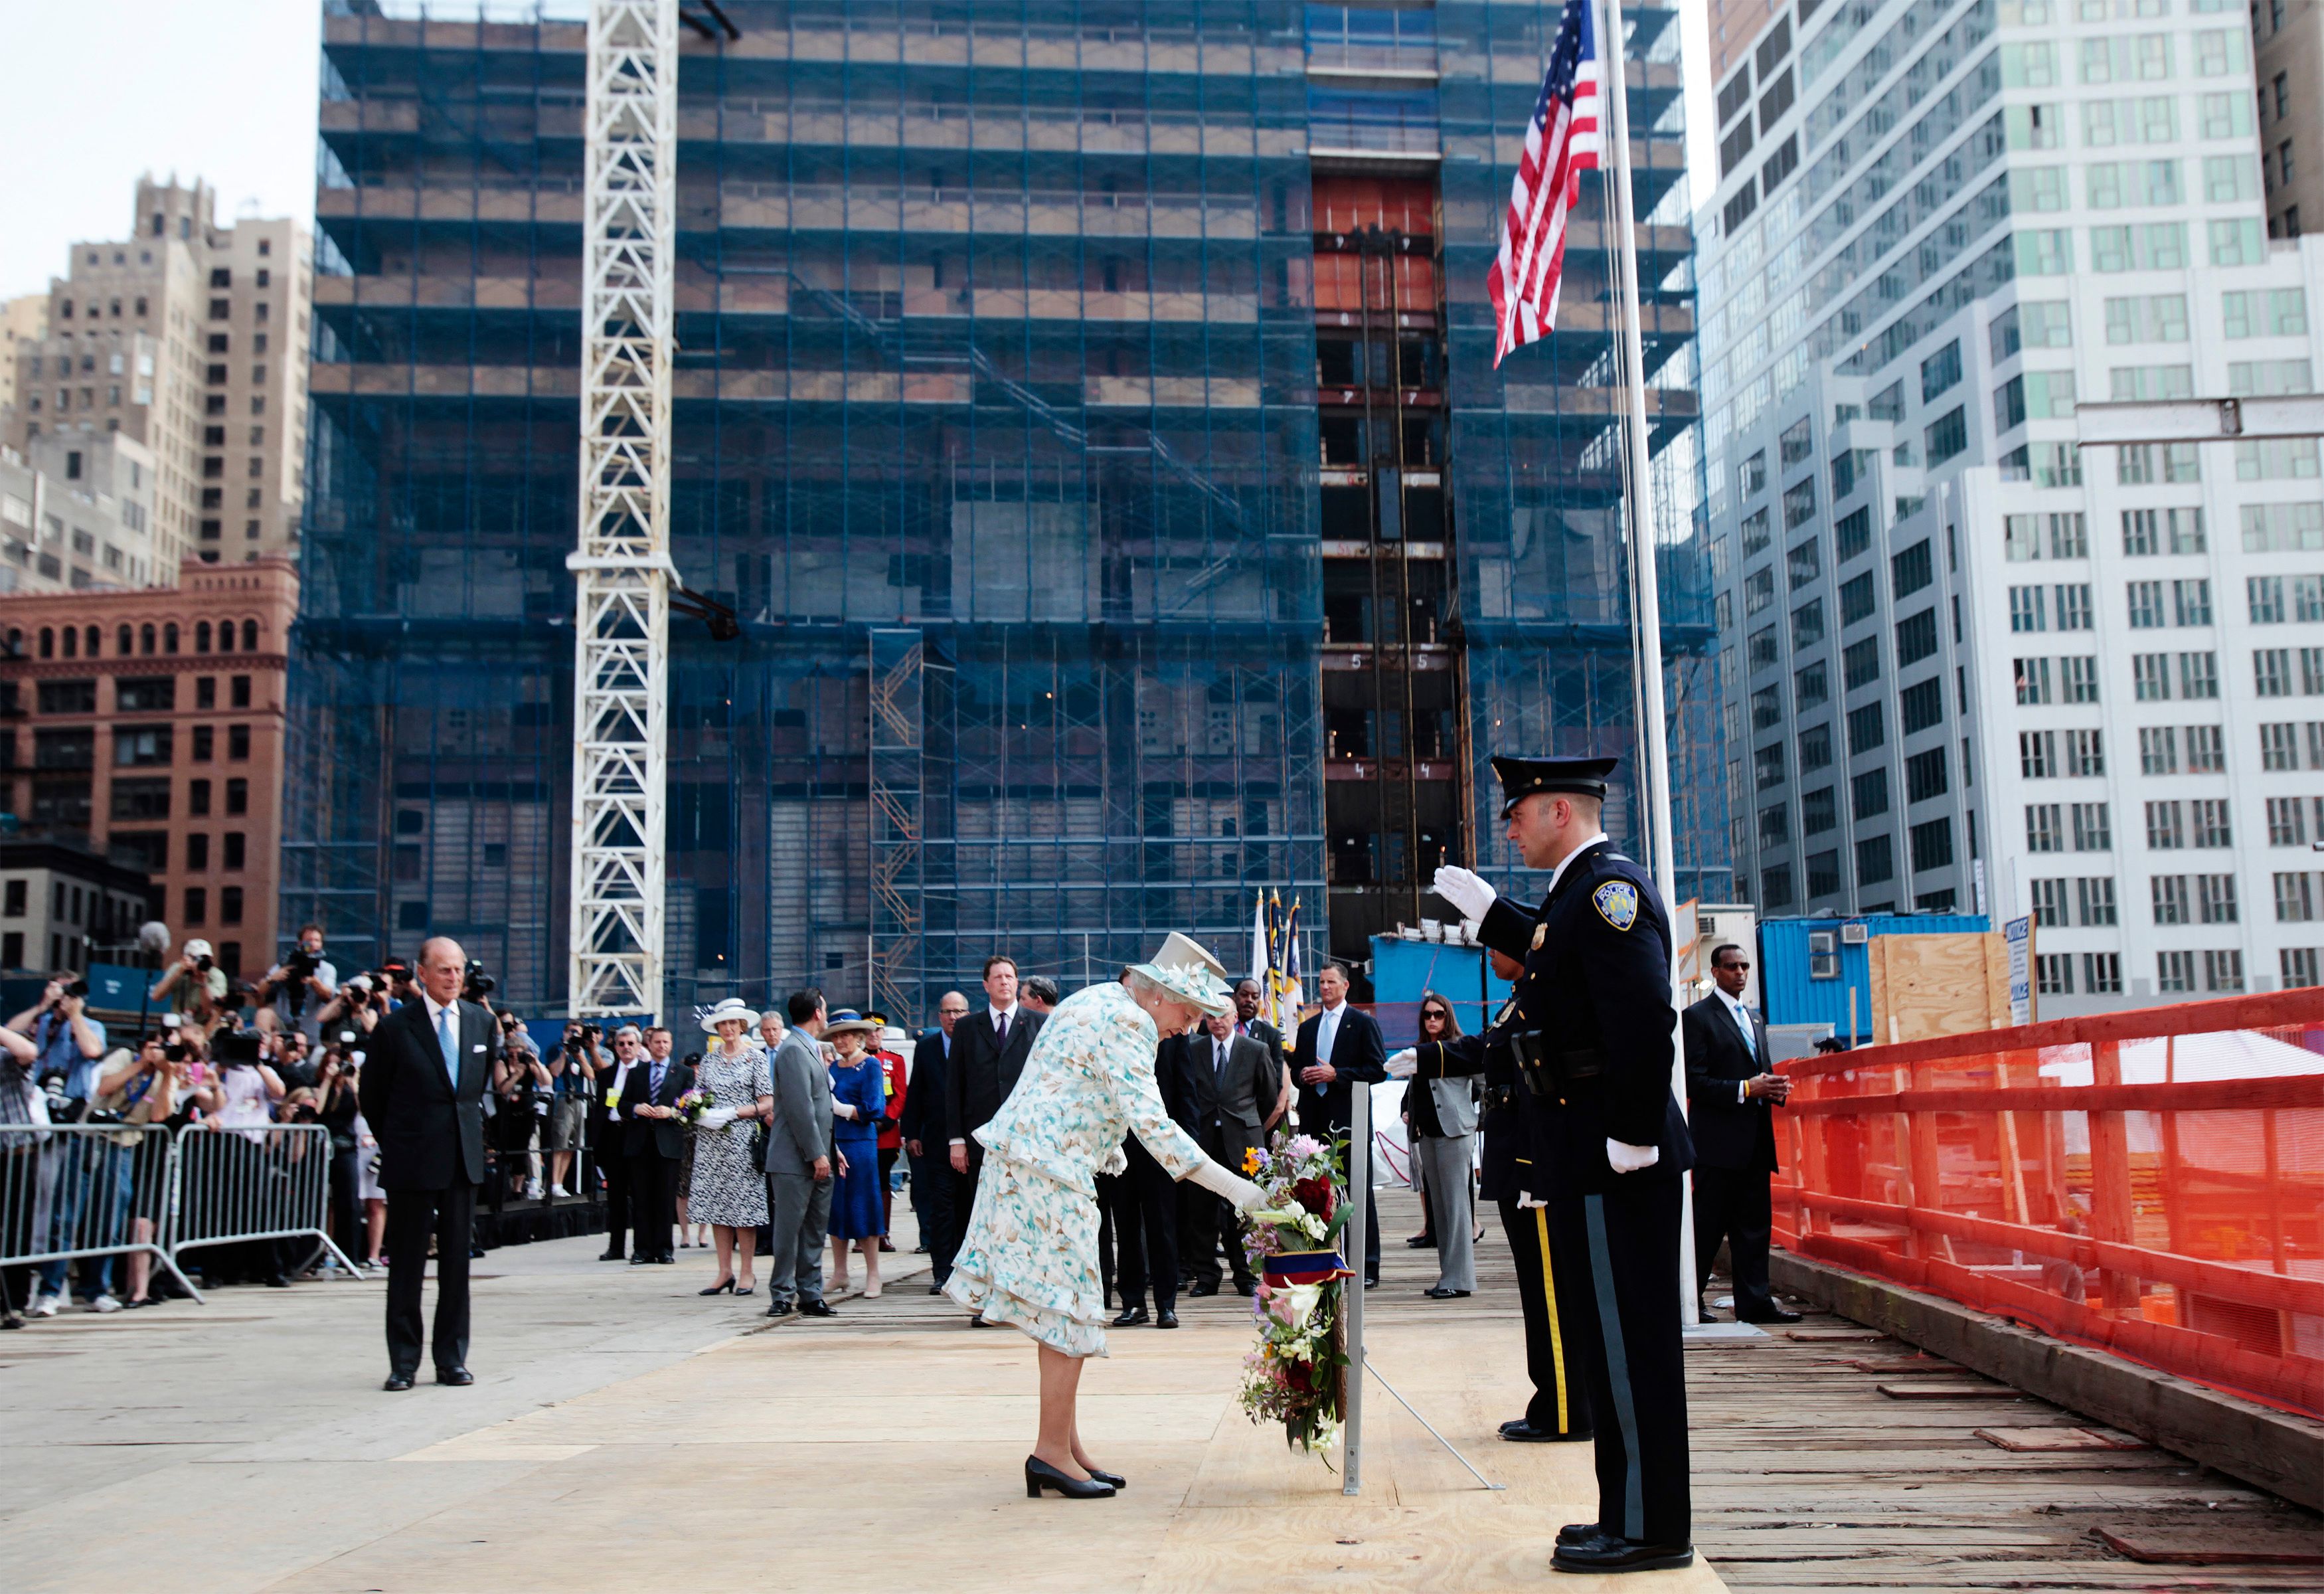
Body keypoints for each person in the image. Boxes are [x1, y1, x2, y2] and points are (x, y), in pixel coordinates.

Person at [1435, 753, 1695, 1573]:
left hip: (1615, 1152)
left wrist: (1632, 1133)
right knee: (1608, 1340)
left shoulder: (1608, 891)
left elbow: (1643, 1019)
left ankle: (1653, 1530)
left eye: (1517, 813)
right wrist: (1490, 915)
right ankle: (1625, 1512)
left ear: (1559, 811)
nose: (1507, 827)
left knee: (1631, 1344)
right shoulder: (1576, 893)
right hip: (1588, 1148)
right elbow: (1553, 953)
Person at [945, 934, 1265, 1499]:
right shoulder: (1130, 1023)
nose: (1187, 1027)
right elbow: (1155, 1125)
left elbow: (1083, 1095)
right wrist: (1242, 1193)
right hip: (1047, 1173)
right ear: (1160, 994)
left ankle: (1064, 1448)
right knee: (1071, 1311)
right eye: (1189, 1012)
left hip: (1035, 1167)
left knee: (1065, 1310)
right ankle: (1050, 1453)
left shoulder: (1094, 999)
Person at [1392, 948, 1592, 1444]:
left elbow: (1493, 1057)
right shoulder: (1518, 1002)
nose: (1493, 958)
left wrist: (1429, 1055)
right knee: (1537, 1294)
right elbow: (1485, 1048)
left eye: (1499, 948)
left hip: (1533, 1161)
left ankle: (1566, 1411)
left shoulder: (1541, 999)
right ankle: (1550, 1403)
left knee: (1551, 1294)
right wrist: (1426, 1056)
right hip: (1518, 1158)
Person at [356, 936, 502, 1390]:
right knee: (407, 1266)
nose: (453, 978)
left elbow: (475, 1092)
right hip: (412, 1161)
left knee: (457, 1266)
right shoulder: (395, 1029)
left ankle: (451, 1359)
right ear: (422, 973)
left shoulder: (481, 1023)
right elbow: (372, 1095)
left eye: (458, 970)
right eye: (443, 970)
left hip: (462, 1160)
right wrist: (400, 1142)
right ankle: (403, 1362)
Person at [1683, 943, 1797, 1326]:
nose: (1741, 972)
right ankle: (1686, 1298)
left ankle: (1755, 1303)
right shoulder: (1697, 1018)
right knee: (1707, 1227)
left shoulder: (1755, 1018)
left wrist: (1774, 1089)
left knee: (1754, 1228)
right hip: (1716, 1145)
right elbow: (1694, 1082)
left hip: (1755, 1143)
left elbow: (1757, 1072)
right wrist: (1748, 1089)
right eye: (1732, 966)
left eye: (1745, 966)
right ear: (1715, 971)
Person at [12, 977, 114, 1314]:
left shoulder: (91, 1025)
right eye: (64, 990)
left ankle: (59, 1286)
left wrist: (75, 1015)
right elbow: (10, 1034)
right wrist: (43, 1007)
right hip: (41, 1120)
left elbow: (92, 1051)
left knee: (67, 1210)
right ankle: (44, 1286)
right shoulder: (43, 1024)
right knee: (43, 1207)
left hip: (75, 1122)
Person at [943, 955, 1044, 1273]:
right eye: (997, 977)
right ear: (986, 985)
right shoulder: (968, 1028)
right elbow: (955, 1086)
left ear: (1017, 982)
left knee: (1027, 1216)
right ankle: (988, 1292)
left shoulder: (1039, 1024)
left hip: (1027, 1141)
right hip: (980, 1139)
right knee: (985, 1216)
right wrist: (956, 1139)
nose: (1004, 981)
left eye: (1009, 976)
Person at [1289, 961, 1386, 1286]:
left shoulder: (1361, 1024)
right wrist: (1303, 1075)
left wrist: (1337, 1075)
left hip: (1349, 1122)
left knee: (1358, 1193)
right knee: (1315, 1193)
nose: (1325, 987)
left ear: (1346, 986)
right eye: (1321, 982)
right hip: (1314, 1124)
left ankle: (1367, 1265)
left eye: (1331, 982)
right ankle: (1322, 1259)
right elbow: (1296, 1071)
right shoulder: (1308, 1027)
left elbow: (1377, 1070)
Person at [1174, 1006, 1279, 1297]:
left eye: (1223, 1015)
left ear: (1235, 1017)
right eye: (1211, 1016)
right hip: (1203, 1141)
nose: (1217, 1021)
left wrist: (1248, 1122)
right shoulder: (1194, 1049)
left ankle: (1245, 1274)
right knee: (1202, 1212)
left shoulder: (1255, 1049)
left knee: (1245, 1212)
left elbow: (1269, 1095)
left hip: (1244, 1142)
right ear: (1204, 1020)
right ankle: (1207, 1275)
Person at [1106, 1010, 1191, 1328]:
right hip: (1119, 1148)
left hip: (1160, 1149)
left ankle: (1166, 1306)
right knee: (1126, 1230)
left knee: (1163, 1229)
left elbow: (1186, 1092)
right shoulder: (1110, 1037)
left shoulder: (1172, 1037)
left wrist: (1185, 1149)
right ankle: (1133, 1304)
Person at [763, 988, 839, 1319]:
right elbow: (800, 1109)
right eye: (825, 1007)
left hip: (819, 1155)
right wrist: (816, 1155)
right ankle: (782, 1293)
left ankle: (811, 1293)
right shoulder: (794, 1050)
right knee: (789, 1230)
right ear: (818, 1013)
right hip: (797, 1159)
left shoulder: (810, 1048)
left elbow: (822, 1109)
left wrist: (830, 1152)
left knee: (814, 1230)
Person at [1399, 991, 1479, 1299]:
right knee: (1440, 1210)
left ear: (1448, 1016)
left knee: (1457, 1206)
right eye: (1427, 1015)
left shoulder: (1461, 1047)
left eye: (1438, 1014)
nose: (1432, 1019)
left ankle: (1461, 1279)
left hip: (1455, 1134)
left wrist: (1477, 1121)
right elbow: (1416, 1089)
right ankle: (1449, 1275)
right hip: (1427, 1134)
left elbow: (1484, 1084)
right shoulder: (1420, 1050)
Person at [690, 998, 773, 1296]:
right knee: (717, 1207)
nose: (728, 1028)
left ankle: (747, 1271)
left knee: (743, 1208)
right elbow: (697, 1096)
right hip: (712, 1142)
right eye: (723, 1024)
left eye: (732, 1023)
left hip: (741, 1140)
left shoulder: (756, 1058)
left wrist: (735, 1112)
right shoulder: (710, 1060)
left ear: (741, 1026)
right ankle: (724, 1271)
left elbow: (767, 1103)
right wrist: (697, 1112)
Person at [900, 990, 965, 1291]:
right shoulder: (926, 1048)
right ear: (939, 1016)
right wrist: (911, 1133)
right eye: (948, 1012)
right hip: (937, 1143)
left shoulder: (975, 1044)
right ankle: (942, 1272)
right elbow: (916, 1094)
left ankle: (968, 1272)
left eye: (959, 1012)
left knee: (967, 1208)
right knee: (941, 1209)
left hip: (971, 1143)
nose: (953, 1017)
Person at [824, 1014, 888, 1296]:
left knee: (863, 1205)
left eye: (845, 1035)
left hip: (860, 1144)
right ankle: (840, 1272)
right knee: (836, 1207)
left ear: (859, 1036)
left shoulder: (871, 1065)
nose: (840, 1041)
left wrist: (843, 1109)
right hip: (834, 1142)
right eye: (836, 1036)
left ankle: (874, 1274)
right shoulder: (833, 1069)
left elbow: (876, 1109)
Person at [622, 1026, 693, 1265]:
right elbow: (622, 1104)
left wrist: (672, 1112)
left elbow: (693, 1106)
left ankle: (664, 1249)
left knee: (665, 1198)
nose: (661, 1046)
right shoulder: (637, 1073)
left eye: (665, 1042)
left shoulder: (682, 1073)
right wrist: (635, 1108)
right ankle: (641, 1249)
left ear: (671, 1045)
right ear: (649, 1045)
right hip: (640, 1141)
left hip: (668, 1142)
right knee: (641, 1197)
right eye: (657, 1042)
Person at [592, 1024, 644, 1260]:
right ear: (614, 1047)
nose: (625, 1048)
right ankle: (616, 1247)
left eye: (630, 1044)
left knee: (640, 1193)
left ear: (639, 1046)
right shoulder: (605, 1075)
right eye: (621, 1044)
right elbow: (600, 1109)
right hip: (613, 1136)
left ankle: (641, 1248)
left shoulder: (646, 1072)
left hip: (637, 1136)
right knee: (616, 1195)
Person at [542, 1022, 601, 1199]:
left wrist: (582, 1057)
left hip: (579, 1100)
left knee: (572, 1145)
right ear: (564, 1032)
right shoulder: (557, 1047)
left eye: (577, 1033)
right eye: (571, 1032)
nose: (574, 1035)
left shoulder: (581, 1050)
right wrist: (565, 1051)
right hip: (563, 1098)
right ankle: (552, 1183)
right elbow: (555, 1072)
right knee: (560, 1141)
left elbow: (591, 1076)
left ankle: (559, 1183)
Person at [491, 1028, 550, 1203]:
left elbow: (546, 1082)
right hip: (507, 1113)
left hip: (527, 1113)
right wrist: (516, 1074)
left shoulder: (529, 1063)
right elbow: (503, 1089)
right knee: (504, 1150)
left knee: (523, 1152)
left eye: (518, 1054)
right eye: (511, 1054)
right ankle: (503, 1188)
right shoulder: (501, 1064)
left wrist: (536, 1063)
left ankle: (518, 1189)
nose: (515, 1058)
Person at [256, 924, 340, 1045]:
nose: (312, 944)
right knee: (263, 1014)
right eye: (308, 941)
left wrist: (314, 981)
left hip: (310, 1031)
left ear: (321, 944)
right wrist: (273, 978)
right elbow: (260, 991)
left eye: (316, 940)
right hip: (283, 1025)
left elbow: (328, 996)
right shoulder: (286, 964)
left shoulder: (327, 969)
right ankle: (263, 1052)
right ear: (300, 943)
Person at [871, 1019, 908, 1248]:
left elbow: (901, 1094)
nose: (873, 1035)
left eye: (878, 1030)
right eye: (869, 1031)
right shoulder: (852, 1061)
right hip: (860, 1131)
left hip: (885, 1133)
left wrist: (885, 1121)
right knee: (862, 1183)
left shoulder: (894, 1060)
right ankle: (863, 1234)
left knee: (884, 1181)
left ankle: (883, 1233)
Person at [149, 940, 231, 1028]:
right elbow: (156, 996)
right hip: (178, 1027)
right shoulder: (178, 969)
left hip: (204, 1029)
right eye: (198, 958)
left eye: (206, 958)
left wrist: (202, 981)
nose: (202, 961)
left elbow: (208, 1009)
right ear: (186, 958)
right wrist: (178, 973)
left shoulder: (216, 976)